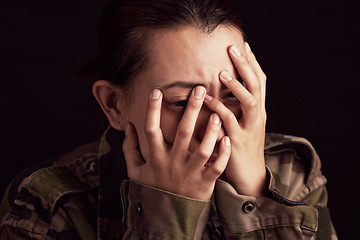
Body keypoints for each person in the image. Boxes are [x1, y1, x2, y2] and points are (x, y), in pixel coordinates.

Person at [0, 0, 337, 239]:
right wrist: (168, 213)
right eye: (182, 102)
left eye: (233, 93)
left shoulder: (292, 171)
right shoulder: (50, 202)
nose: (215, 124)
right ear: (113, 104)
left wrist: (254, 192)